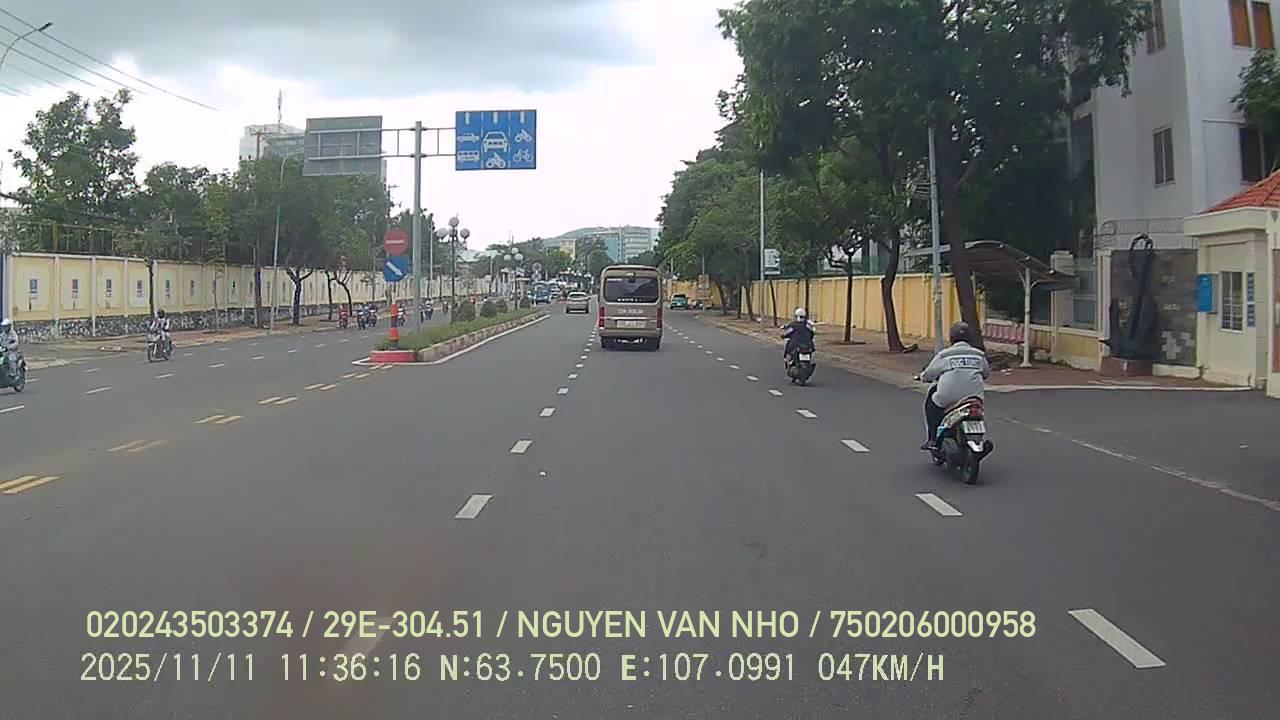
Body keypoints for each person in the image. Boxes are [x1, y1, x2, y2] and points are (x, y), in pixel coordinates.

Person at [918, 321, 990, 450]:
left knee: (931, 405)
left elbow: (929, 374)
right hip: (973, 398)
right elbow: (986, 373)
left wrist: (923, 377)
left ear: (952, 338)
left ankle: (933, 439)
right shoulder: (978, 355)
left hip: (948, 398)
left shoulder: (945, 355)